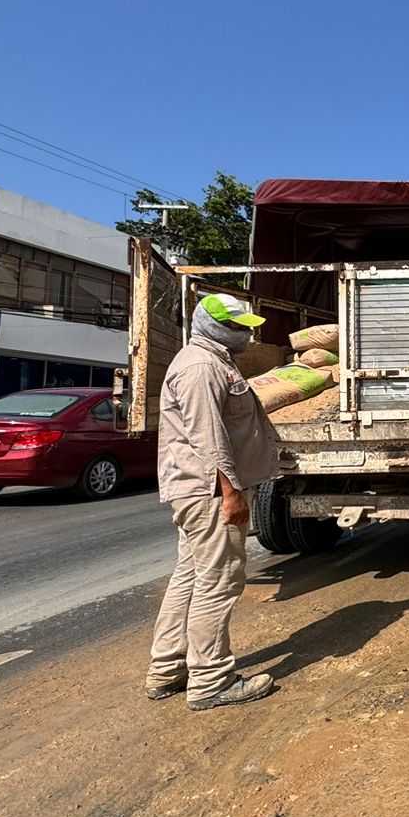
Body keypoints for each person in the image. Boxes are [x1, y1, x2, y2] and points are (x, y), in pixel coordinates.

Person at [145, 293, 280, 711]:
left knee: (190, 576)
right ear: (217, 327)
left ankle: (168, 669)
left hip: (199, 491)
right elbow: (208, 437)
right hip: (207, 492)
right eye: (240, 327)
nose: (247, 334)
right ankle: (210, 682)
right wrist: (230, 492)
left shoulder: (214, 361)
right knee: (220, 581)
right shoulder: (201, 367)